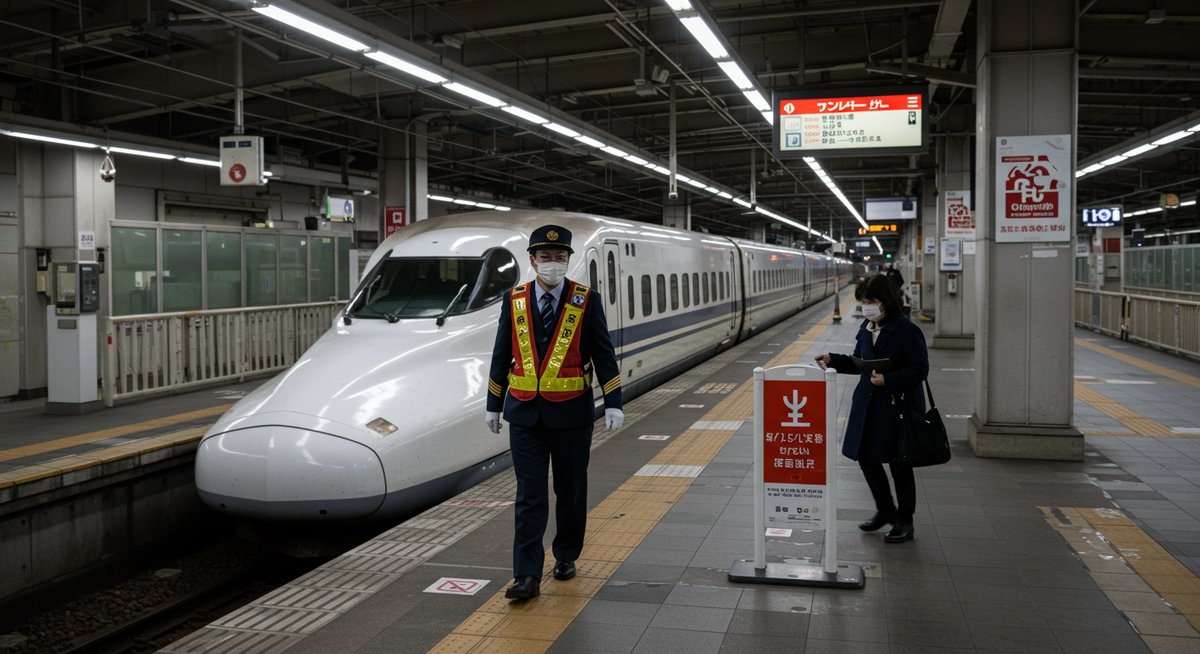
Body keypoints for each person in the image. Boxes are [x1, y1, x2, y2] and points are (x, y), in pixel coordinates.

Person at [484, 224, 623, 600]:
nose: (552, 264)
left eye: (559, 258)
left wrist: (613, 400)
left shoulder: (585, 300)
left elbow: (603, 354)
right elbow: (502, 354)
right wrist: (493, 404)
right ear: (532, 260)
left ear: (568, 260)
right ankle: (526, 575)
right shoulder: (513, 300)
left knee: (571, 490)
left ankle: (565, 554)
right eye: (545, 258)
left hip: (572, 416)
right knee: (529, 495)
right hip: (525, 415)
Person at [815, 273, 928, 544]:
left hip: (897, 407)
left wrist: (888, 379)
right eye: (863, 301)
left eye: (871, 301)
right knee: (867, 458)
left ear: (886, 301)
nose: (866, 306)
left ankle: (905, 521)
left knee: (899, 464)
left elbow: (919, 370)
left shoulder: (906, 329)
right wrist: (834, 360)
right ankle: (885, 510)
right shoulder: (867, 327)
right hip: (867, 405)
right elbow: (859, 362)